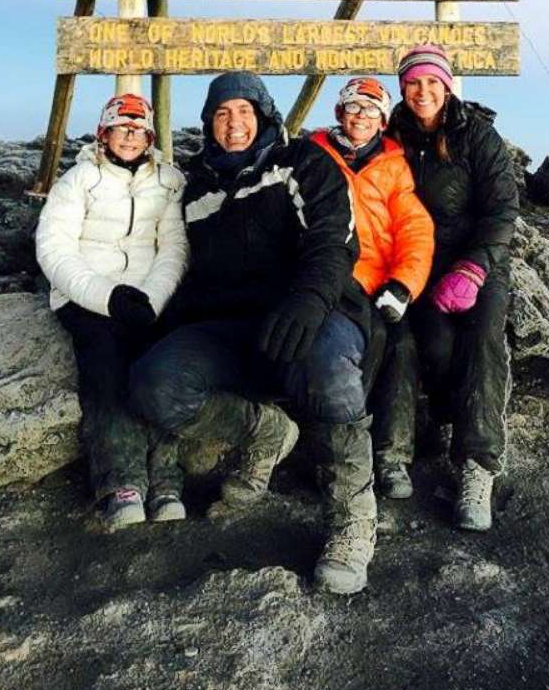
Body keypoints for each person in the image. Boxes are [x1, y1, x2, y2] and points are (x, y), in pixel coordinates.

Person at [129, 72, 377, 594]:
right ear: (209, 123)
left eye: (244, 111)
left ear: (264, 114)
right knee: (156, 382)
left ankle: (352, 518)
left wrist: (309, 301)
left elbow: (334, 242)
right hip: (232, 328)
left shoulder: (305, 163)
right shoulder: (195, 188)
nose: (233, 122)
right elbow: (182, 265)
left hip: (312, 316)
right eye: (222, 113)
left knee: (331, 367)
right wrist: (156, 319)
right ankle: (265, 429)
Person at [36, 92, 188, 531]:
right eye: (121, 128)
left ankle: (166, 481)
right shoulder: (78, 180)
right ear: (104, 133)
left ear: (150, 136)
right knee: (105, 367)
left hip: (148, 297)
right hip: (88, 297)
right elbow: (54, 248)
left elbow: (174, 248)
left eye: (139, 129)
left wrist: (153, 299)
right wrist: (107, 298)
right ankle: (121, 481)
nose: (130, 137)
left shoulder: (170, 181)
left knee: (161, 369)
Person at [386, 44, 519, 530]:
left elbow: (503, 210)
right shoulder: (391, 134)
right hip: (418, 266)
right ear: (403, 87)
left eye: (432, 83)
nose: (423, 92)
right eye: (414, 83)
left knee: (483, 341)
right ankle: (436, 421)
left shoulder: (478, 136)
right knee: (434, 346)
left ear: (446, 86)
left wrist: (475, 268)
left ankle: (478, 465)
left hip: (477, 263)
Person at [308, 76, 434, 500]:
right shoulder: (311, 155)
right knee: (338, 348)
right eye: (354, 107)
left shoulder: (395, 167)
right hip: (327, 277)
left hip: (378, 283)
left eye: (372, 110)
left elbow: (414, 230)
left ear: (383, 122)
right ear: (339, 112)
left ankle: (392, 455)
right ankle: (338, 455)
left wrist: (403, 285)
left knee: (399, 345)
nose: (361, 116)